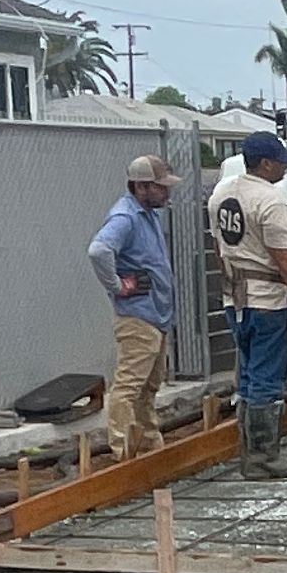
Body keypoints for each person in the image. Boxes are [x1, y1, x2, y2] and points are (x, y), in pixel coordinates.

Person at [207, 128, 287, 479]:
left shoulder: (221, 194)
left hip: (235, 301)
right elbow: (285, 259)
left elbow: (220, 250)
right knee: (266, 378)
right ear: (265, 164)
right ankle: (263, 459)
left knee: (247, 376)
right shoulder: (271, 201)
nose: (285, 169)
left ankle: (248, 453)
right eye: (280, 163)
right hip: (267, 302)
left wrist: (231, 290)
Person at [87, 154, 181, 460]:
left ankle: (148, 444)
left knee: (148, 387)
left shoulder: (147, 213)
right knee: (129, 387)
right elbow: (99, 250)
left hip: (155, 314)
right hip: (138, 316)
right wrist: (116, 285)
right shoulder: (125, 218)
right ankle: (124, 450)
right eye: (161, 187)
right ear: (141, 187)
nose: (167, 193)